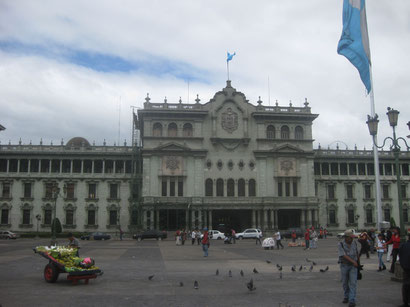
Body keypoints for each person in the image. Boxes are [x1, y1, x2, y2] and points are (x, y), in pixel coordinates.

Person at [338, 229, 360, 307]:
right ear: (346, 237)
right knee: (345, 283)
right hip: (344, 265)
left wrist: (358, 263)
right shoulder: (341, 244)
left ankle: (352, 300)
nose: (352, 239)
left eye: (352, 237)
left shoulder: (354, 243)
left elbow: (357, 253)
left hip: (353, 266)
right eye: (350, 237)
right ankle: (346, 296)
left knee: (353, 283)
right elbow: (343, 255)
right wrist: (353, 261)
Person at [399, 234, 410, 307]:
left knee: (406, 284)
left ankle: (406, 302)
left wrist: (403, 265)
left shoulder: (403, 245)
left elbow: (400, 255)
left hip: (406, 267)